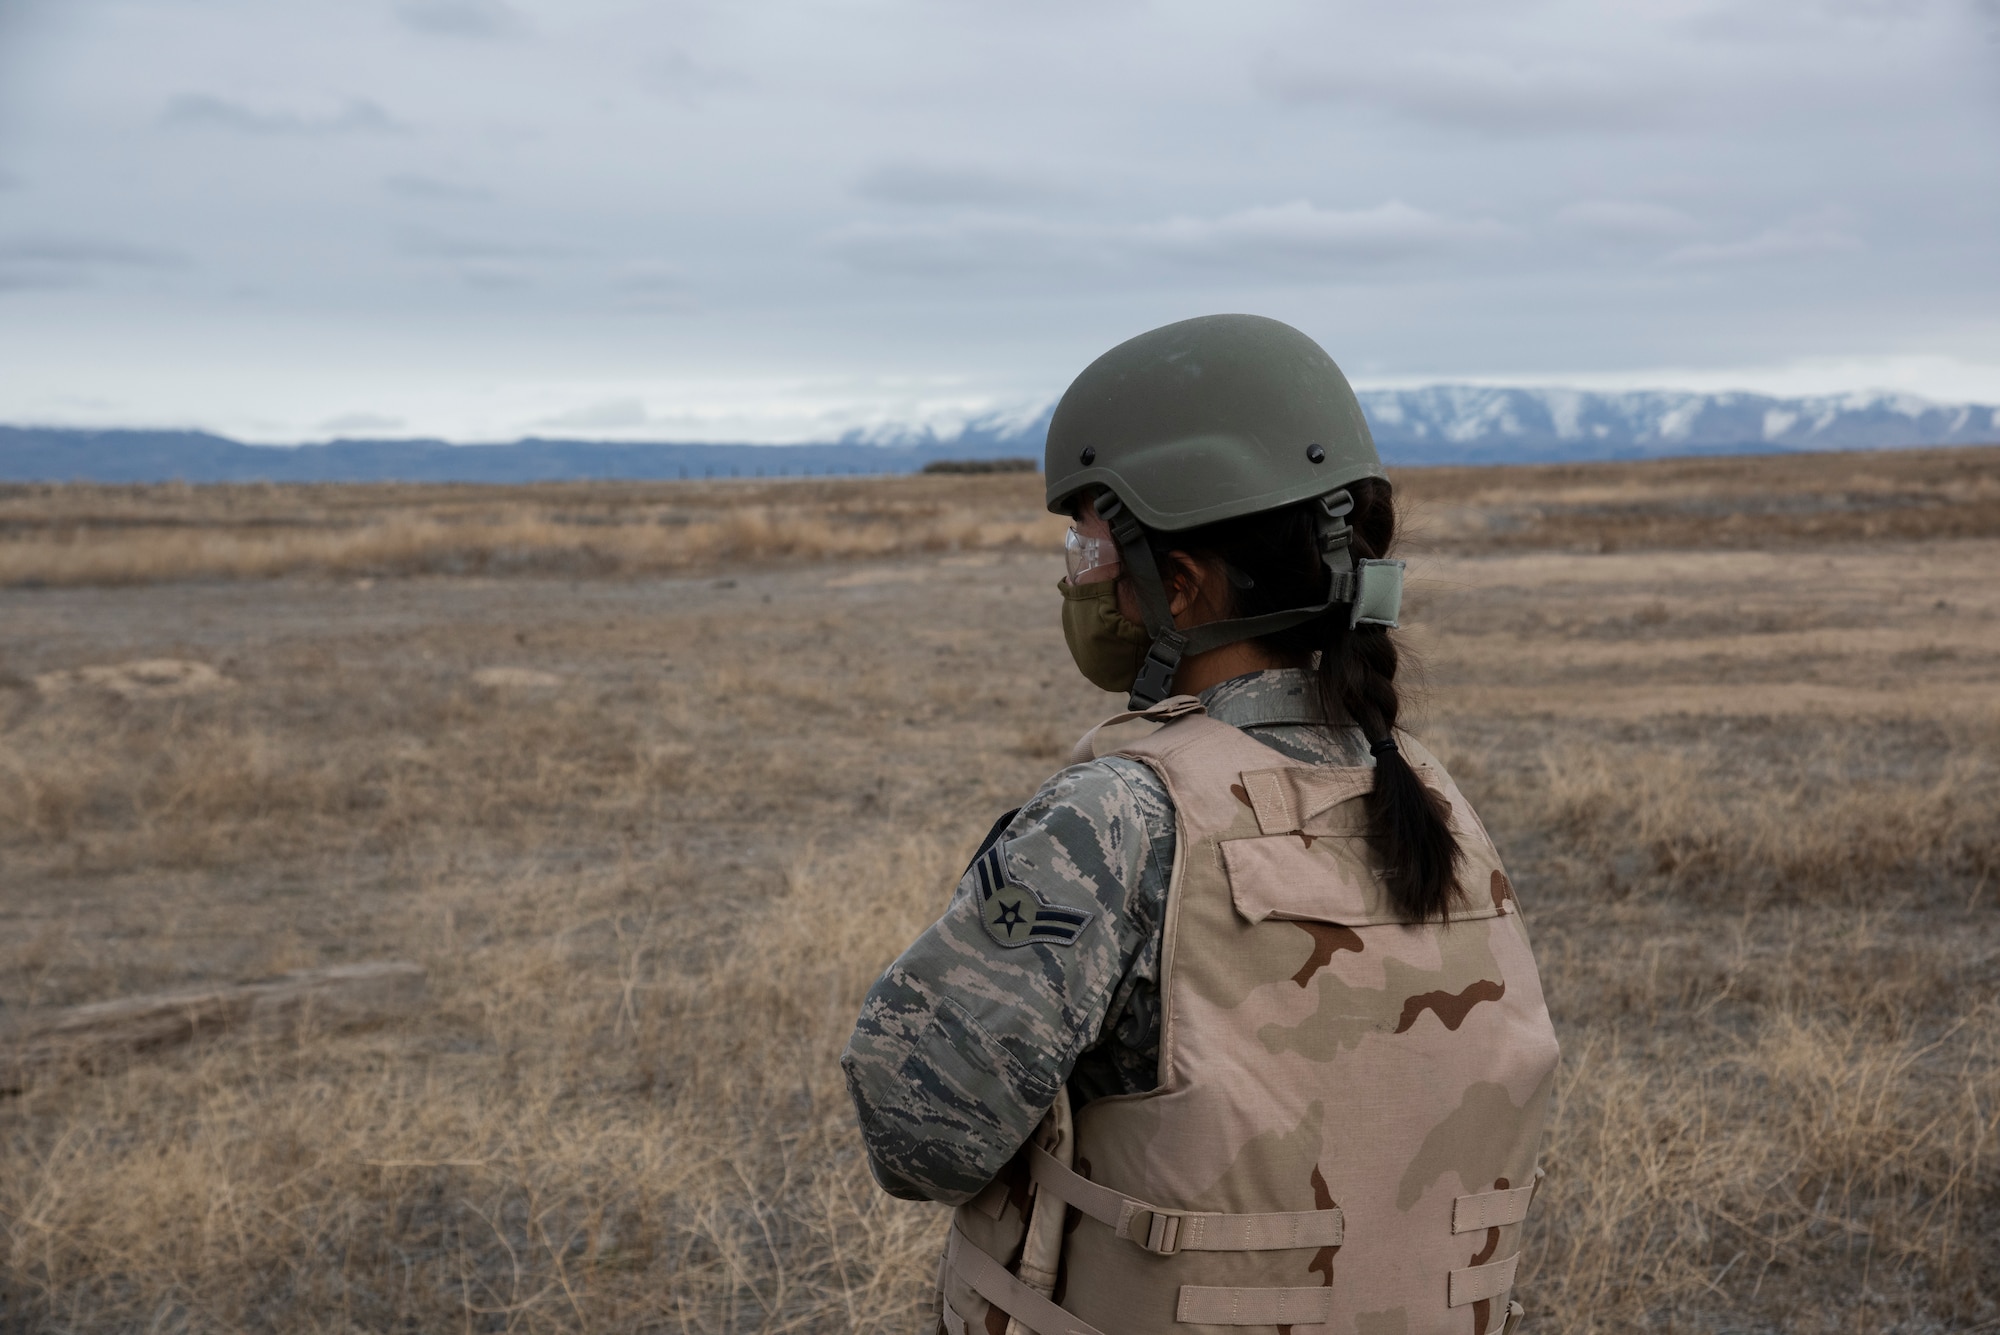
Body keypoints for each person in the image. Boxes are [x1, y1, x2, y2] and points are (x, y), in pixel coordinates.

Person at [843, 314, 1560, 1335]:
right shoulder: (1429, 794)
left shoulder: (1115, 815)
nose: (1076, 572)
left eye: (1089, 541)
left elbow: (919, 1134)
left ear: (1174, 585)